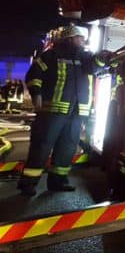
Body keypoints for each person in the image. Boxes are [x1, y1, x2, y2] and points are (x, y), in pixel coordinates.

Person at [17, 24, 111, 197]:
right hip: (52, 111)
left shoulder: (84, 57)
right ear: (70, 38)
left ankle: (58, 181)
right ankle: (28, 183)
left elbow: (95, 67)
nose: (83, 41)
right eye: (80, 38)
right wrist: (36, 93)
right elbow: (34, 75)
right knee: (42, 146)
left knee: (67, 147)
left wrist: (103, 58)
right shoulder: (51, 55)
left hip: (76, 112)